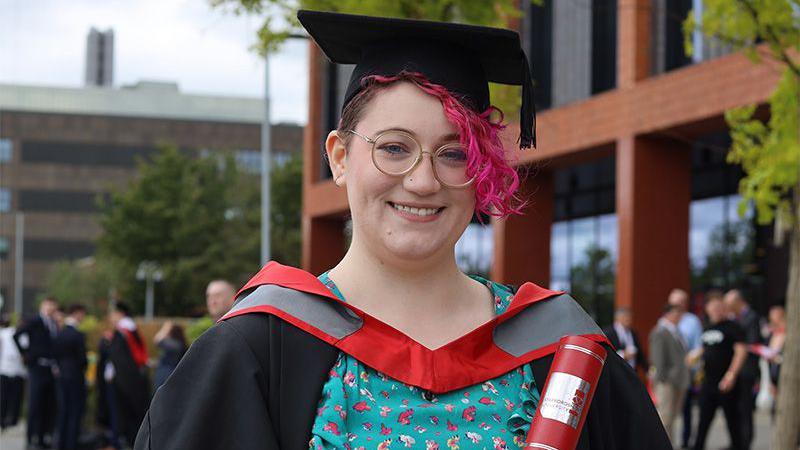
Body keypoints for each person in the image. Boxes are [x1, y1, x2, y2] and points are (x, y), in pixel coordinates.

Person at [135, 10, 671, 450]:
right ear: (340, 157)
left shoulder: (558, 348)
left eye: (454, 153)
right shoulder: (259, 346)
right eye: (393, 147)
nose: (422, 180)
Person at [689, 292, 747, 450]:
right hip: (708, 383)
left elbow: (741, 352)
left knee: (733, 423)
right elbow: (705, 348)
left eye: (720, 307)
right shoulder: (707, 327)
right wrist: (694, 355)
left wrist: (731, 375)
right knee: (702, 422)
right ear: (707, 309)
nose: (717, 310)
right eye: (713, 307)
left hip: (727, 382)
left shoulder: (733, 327)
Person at [14, 297, 59, 449]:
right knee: (35, 404)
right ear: (43, 305)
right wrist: (25, 354)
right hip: (37, 367)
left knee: (47, 404)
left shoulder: (53, 323)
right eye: (49, 305)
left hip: (49, 368)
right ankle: (30, 438)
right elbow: (17, 334)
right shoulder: (35, 320)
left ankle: (41, 437)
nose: (51, 308)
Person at [106, 303, 150, 448]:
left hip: (125, 384)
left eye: (113, 313)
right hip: (138, 379)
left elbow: (120, 361)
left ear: (120, 314)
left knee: (126, 416)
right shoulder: (132, 330)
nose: (111, 317)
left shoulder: (122, 333)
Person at [723, 289, 761, 449]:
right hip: (733, 370)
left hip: (745, 371)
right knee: (734, 408)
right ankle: (736, 441)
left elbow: (752, 343)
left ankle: (745, 442)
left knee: (745, 408)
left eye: (730, 305)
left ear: (738, 302)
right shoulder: (734, 318)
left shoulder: (751, 317)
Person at [668, 288, 704, 449]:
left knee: (686, 408)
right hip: (670, 373)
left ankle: (685, 441)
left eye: (679, 302)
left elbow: (698, 345)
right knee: (668, 409)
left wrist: (693, 364)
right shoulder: (665, 320)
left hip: (686, 370)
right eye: (673, 302)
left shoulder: (692, 321)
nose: (676, 305)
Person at [648, 304, 689, 442]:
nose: (679, 317)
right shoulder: (660, 332)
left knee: (671, 417)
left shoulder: (675, 331)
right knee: (665, 417)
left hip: (677, 380)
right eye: (676, 314)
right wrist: (661, 380)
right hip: (666, 381)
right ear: (668, 314)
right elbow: (658, 359)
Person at [53, 304, 88, 450]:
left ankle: (60, 444)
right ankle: (71, 444)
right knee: (74, 412)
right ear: (77, 313)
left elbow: (55, 354)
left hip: (62, 376)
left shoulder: (59, 333)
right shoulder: (77, 335)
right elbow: (82, 360)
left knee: (63, 411)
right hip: (75, 377)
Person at [0, 314, 27, 431]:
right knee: (4, 396)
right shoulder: (4, 333)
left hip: (18, 370)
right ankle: (3, 419)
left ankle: (12, 420)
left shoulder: (23, 335)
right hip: (5, 368)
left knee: (15, 397)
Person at [603, 307, 647, 374]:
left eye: (630, 318)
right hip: (616, 371)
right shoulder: (609, 333)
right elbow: (607, 353)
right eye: (626, 317)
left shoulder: (633, 333)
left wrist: (647, 369)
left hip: (632, 371)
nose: (629, 320)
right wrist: (623, 355)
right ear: (618, 318)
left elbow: (640, 354)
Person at [152, 321, 186, 390]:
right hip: (166, 373)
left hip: (167, 374)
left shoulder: (175, 344)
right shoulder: (175, 343)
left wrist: (166, 328)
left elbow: (157, 340)